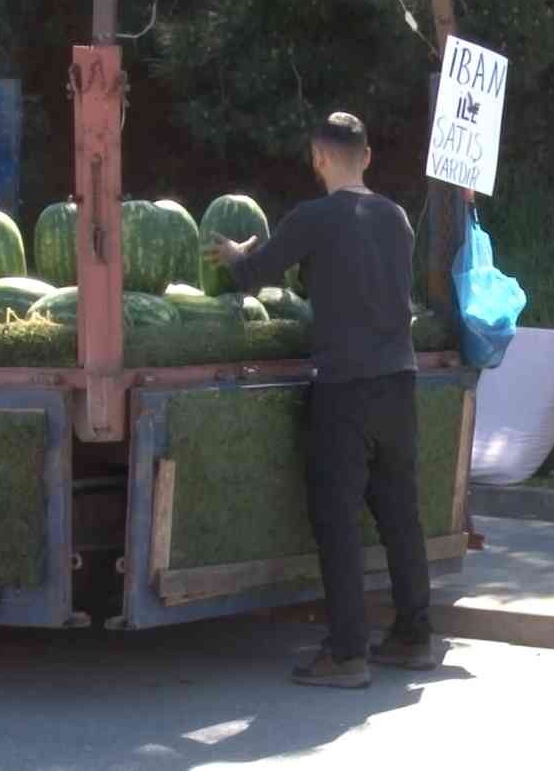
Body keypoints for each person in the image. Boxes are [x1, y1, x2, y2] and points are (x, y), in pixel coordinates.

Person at [201, 112, 434, 688]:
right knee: (399, 514)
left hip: (344, 387)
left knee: (336, 520)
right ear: (369, 158)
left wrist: (234, 252)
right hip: (399, 382)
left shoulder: (315, 217)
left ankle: (347, 653)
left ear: (319, 158)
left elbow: (252, 276)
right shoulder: (397, 218)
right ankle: (413, 636)